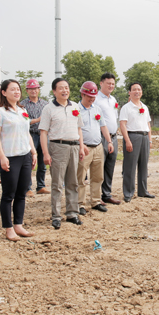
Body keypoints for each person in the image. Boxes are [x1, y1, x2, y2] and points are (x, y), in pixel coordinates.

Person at [0, 79, 38, 241]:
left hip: (24, 155)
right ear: (4, 92)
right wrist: (1, 156)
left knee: (21, 193)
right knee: (8, 194)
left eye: (18, 89)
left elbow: (27, 134)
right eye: (12, 89)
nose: (17, 92)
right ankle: (8, 228)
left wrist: (33, 152)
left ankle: (18, 224)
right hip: (10, 156)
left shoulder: (22, 110)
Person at [39, 78, 87, 229]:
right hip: (58, 147)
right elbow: (43, 132)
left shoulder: (75, 106)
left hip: (74, 146)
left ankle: (72, 213)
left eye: (67, 88)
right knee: (57, 184)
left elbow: (79, 128)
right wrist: (46, 153)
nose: (65, 90)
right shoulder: (48, 108)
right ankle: (56, 215)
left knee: (73, 182)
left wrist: (81, 146)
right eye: (61, 88)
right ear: (54, 91)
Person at [77, 81, 113, 215]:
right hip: (84, 147)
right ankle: (79, 203)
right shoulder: (76, 109)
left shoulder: (97, 109)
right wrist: (81, 145)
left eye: (93, 97)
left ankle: (96, 201)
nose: (91, 99)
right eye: (88, 97)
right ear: (82, 94)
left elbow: (103, 126)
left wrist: (108, 141)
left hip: (98, 146)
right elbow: (76, 129)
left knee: (98, 176)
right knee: (80, 177)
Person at [120, 82, 154, 201]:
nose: (137, 91)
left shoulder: (144, 107)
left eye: (139, 89)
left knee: (144, 165)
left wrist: (150, 139)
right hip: (133, 136)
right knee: (130, 166)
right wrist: (127, 141)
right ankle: (128, 193)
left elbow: (148, 124)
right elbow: (123, 125)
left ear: (142, 92)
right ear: (129, 92)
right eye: (134, 89)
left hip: (144, 136)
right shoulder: (126, 108)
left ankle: (143, 190)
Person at [94, 72, 122, 205]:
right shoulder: (95, 99)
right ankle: (96, 195)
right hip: (100, 137)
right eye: (108, 83)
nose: (111, 86)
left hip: (113, 137)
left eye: (113, 84)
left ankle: (106, 194)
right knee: (99, 167)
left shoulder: (113, 100)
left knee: (110, 166)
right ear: (101, 83)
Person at [20, 78, 49, 196]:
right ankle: (27, 188)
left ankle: (41, 186)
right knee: (29, 162)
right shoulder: (22, 105)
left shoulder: (45, 104)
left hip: (42, 134)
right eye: (31, 89)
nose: (33, 91)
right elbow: (23, 121)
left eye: (35, 88)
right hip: (30, 134)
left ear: (38, 90)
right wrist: (38, 120)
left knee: (42, 161)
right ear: (27, 90)